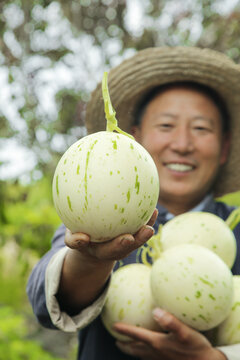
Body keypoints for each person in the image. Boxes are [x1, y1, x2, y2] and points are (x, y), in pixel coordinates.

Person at [27, 47, 240, 360]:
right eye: (166, 126)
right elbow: (44, 302)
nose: (182, 144)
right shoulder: (95, 216)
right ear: (135, 139)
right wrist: (91, 259)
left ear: (224, 149)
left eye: (200, 129)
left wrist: (219, 358)